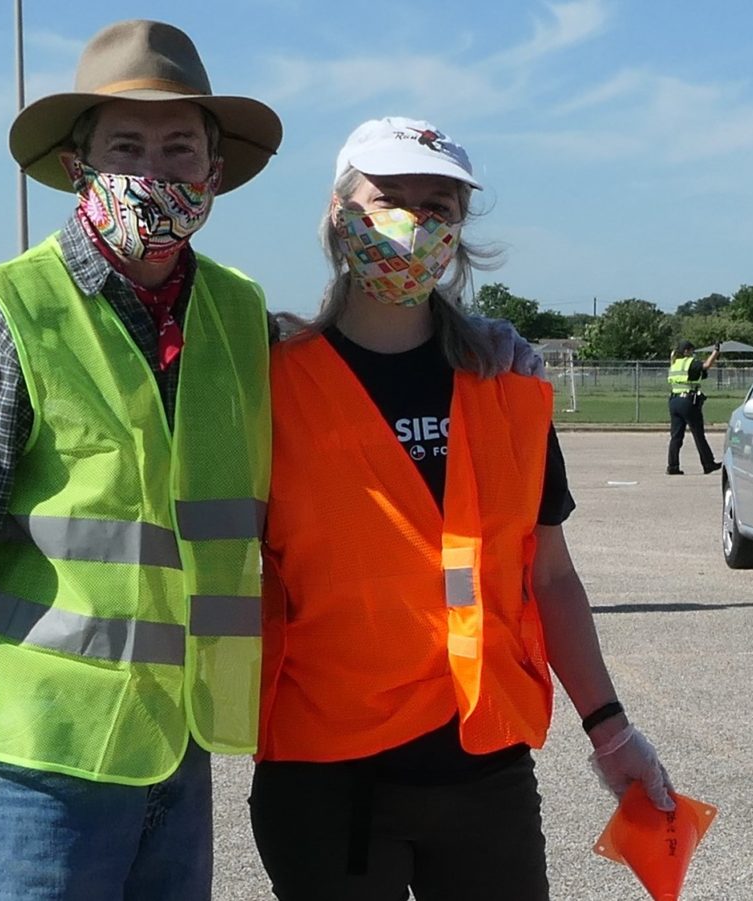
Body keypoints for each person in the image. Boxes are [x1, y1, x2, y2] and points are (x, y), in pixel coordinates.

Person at [0, 19, 283, 901]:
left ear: (214, 172)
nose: (155, 170)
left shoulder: (241, 316)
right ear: (78, 168)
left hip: (179, 749)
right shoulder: (1, 315)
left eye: (180, 147)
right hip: (39, 764)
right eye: (126, 145)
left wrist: (478, 343)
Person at [249, 117, 676, 901]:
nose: (414, 223)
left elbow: (548, 576)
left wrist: (611, 729)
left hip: (483, 771)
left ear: (461, 228)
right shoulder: (269, 384)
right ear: (340, 211)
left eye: (438, 205)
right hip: (327, 775)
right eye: (388, 198)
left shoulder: (509, 385)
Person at [667, 338, 722, 475]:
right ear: (686, 351)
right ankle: (708, 464)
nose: (693, 354)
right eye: (691, 351)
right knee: (698, 434)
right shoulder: (690, 362)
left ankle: (672, 466)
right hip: (688, 402)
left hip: (674, 401)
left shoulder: (674, 364)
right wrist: (716, 352)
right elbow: (707, 365)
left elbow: (699, 375)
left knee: (676, 436)